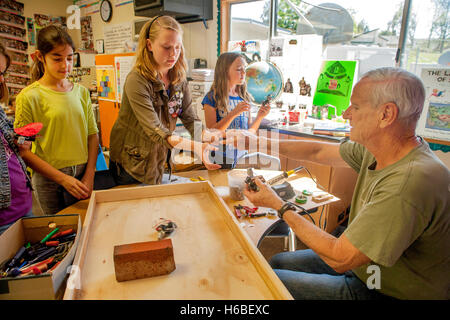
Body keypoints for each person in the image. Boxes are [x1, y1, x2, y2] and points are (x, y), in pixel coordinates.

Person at [231, 67, 449, 300]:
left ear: (386, 114)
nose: (346, 114)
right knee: (278, 261)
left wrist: (279, 205)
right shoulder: (381, 149)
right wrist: (256, 142)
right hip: (370, 269)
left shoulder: (408, 184)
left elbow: (340, 258)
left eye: (355, 107)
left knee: (268, 282)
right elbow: (317, 150)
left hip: (388, 290)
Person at [109, 16, 220, 186]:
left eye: (177, 47)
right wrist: (195, 146)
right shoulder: (137, 80)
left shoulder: (178, 78)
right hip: (130, 164)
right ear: (149, 45)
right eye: (167, 47)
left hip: (157, 160)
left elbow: (190, 118)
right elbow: (156, 130)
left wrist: (206, 137)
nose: (174, 54)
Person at [14, 25, 99, 215]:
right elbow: (24, 151)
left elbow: (93, 136)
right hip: (49, 180)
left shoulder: (81, 92)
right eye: (57, 58)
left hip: (82, 175)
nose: (65, 65)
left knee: (86, 227)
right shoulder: (28, 97)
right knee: (59, 234)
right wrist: (62, 179)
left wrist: (90, 175)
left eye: (69, 58)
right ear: (39, 57)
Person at [202, 52, 277, 169]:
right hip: (220, 158)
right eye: (238, 70)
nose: (243, 74)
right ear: (225, 71)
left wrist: (260, 117)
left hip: (242, 156)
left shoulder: (244, 98)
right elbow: (212, 133)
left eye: (244, 70)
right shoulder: (211, 98)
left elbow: (249, 132)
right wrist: (233, 113)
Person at [0, 42, 34, 235]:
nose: (2, 80)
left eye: (3, 73)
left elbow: (10, 146)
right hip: (4, 220)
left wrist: (19, 142)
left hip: (22, 207)